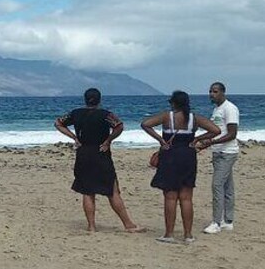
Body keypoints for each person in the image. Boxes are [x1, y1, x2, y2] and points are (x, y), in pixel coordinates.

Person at [54, 88, 145, 233]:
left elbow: (58, 123)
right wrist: (109, 140)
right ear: (99, 100)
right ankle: (128, 225)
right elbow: (119, 126)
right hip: (100, 152)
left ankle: (91, 226)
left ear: (85, 99)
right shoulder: (105, 115)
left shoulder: (76, 113)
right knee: (112, 191)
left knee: (87, 191)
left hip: (83, 153)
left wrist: (74, 137)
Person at [141, 91, 219, 244]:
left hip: (170, 156)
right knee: (186, 197)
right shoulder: (193, 118)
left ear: (173, 103)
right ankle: (188, 235)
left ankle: (169, 234)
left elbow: (145, 124)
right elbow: (216, 130)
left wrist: (161, 141)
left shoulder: (167, 116)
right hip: (188, 156)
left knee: (170, 197)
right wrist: (198, 138)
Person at [198, 82, 240, 234]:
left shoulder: (230, 109)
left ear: (223, 92)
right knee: (228, 187)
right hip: (218, 152)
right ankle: (228, 221)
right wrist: (202, 141)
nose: (211, 94)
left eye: (215, 91)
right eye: (210, 91)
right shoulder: (217, 109)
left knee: (217, 185)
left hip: (227, 153)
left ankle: (216, 222)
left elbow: (232, 133)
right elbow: (216, 131)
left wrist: (212, 142)